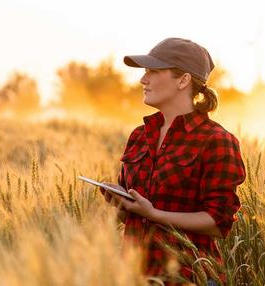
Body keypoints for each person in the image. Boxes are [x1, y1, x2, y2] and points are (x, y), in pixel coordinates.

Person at [100, 37, 246, 285]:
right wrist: (123, 204)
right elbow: (136, 219)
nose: (143, 80)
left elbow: (218, 223)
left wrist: (154, 213)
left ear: (183, 79)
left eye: (154, 71)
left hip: (189, 277)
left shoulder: (216, 140)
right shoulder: (139, 136)